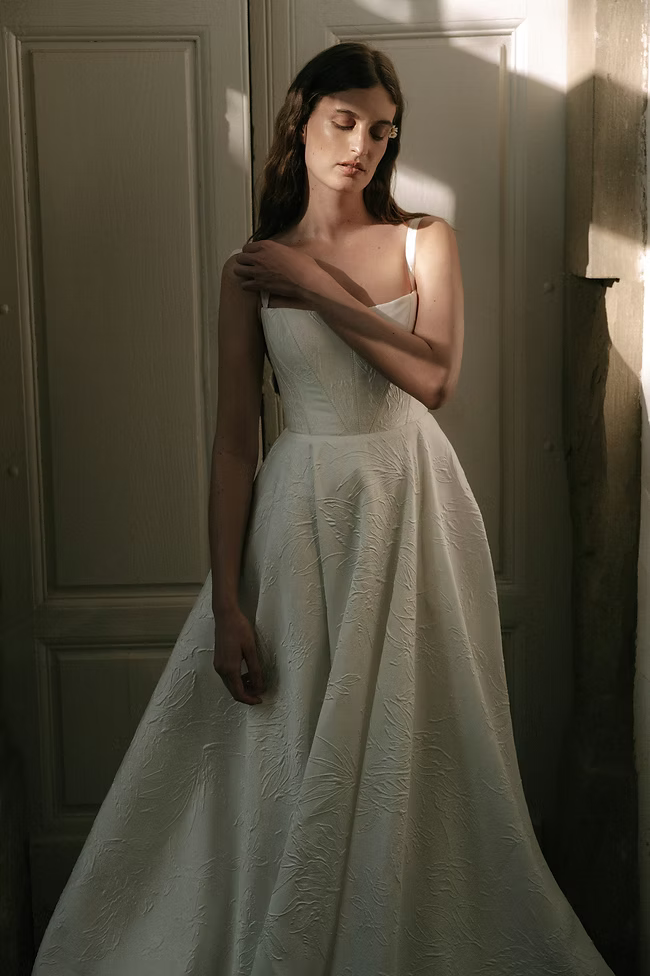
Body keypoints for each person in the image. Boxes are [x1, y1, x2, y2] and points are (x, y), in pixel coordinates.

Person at [32, 41, 615, 976]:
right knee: (284, 736)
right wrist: (226, 602)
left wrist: (319, 289)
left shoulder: (427, 237)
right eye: (343, 122)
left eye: (381, 131)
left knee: (414, 736)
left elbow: (433, 380)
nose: (362, 146)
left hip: (409, 503)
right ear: (300, 122)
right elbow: (234, 442)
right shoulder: (250, 269)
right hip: (298, 515)